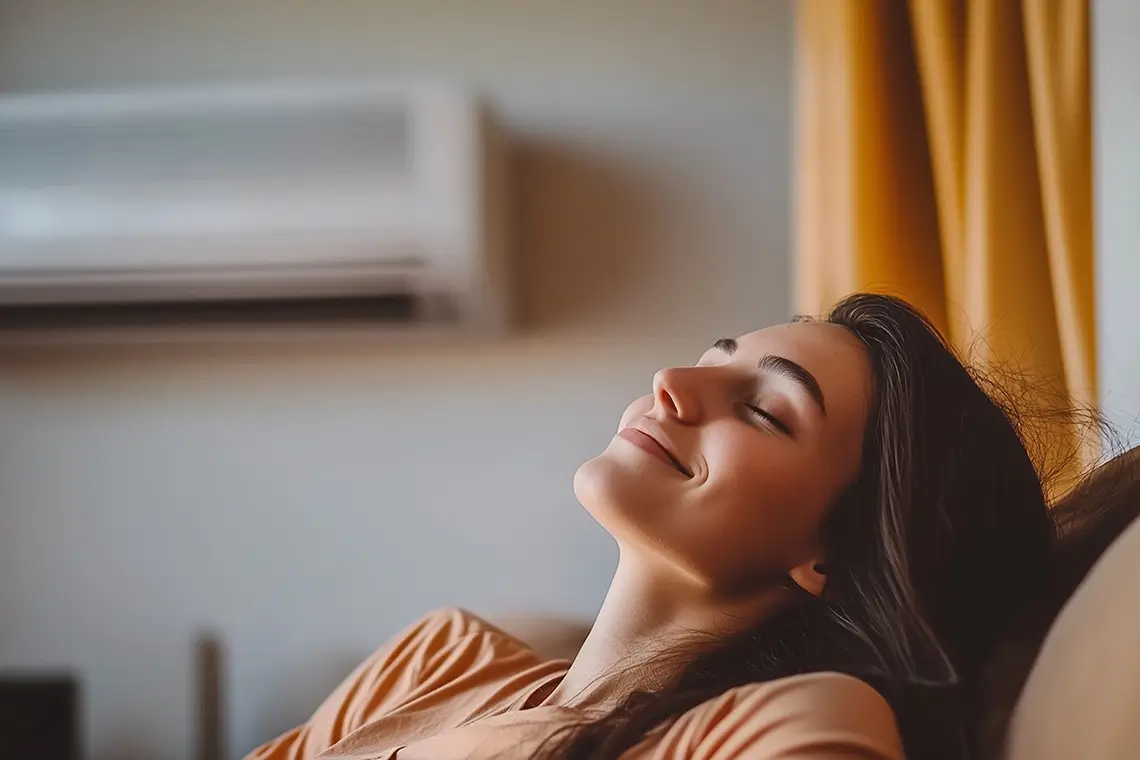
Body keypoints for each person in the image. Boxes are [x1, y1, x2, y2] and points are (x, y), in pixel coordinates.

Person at [243, 293, 1073, 760]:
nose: (671, 382)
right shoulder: (438, 658)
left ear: (835, 554)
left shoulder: (787, 727)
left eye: (762, 411)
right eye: (712, 360)